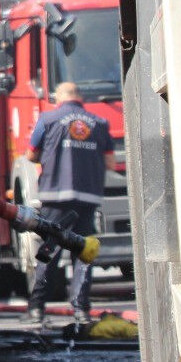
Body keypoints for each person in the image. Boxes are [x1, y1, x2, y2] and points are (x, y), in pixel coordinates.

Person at [25, 81, 115, 326]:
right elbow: (110, 162)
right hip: (87, 197)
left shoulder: (48, 119)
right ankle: (81, 310)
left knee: (49, 252)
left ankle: (37, 309)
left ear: (58, 98)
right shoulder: (100, 122)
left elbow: (31, 154)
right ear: (79, 97)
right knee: (83, 253)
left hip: (55, 197)